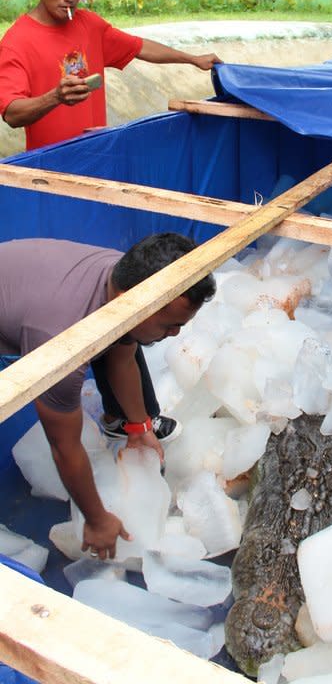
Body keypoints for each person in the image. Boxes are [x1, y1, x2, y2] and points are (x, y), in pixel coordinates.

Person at [0, 233, 216, 559]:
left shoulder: (126, 277)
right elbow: (63, 446)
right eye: (171, 325)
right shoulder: (60, 343)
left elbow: (121, 353)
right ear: (129, 302)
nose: (176, 334)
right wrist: (98, 520)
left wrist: (139, 428)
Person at [0, 0, 223, 150]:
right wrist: (55, 97)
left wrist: (193, 59)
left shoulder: (89, 25)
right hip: (53, 165)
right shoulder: (16, 42)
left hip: (99, 153)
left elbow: (140, 47)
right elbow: (12, 114)